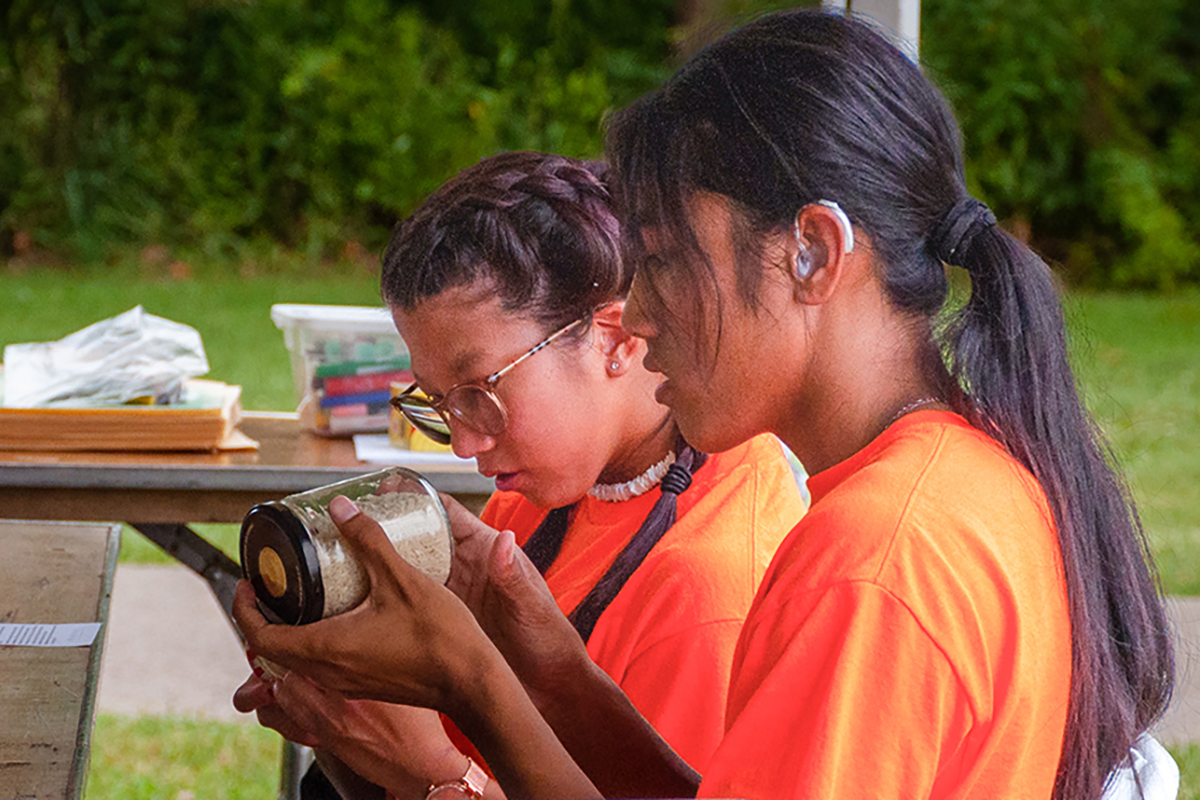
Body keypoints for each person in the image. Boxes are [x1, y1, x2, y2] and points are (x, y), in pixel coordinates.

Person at [234, 9, 1175, 800]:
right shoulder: (965, 472)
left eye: (667, 262)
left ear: (812, 252)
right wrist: (546, 662)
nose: (636, 315)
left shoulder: (873, 561)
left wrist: (472, 681)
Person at [233, 151, 804, 797]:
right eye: (438, 402)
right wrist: (339, 725)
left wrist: (435, 776)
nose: (465, 443)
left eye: (481, 391)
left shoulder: (706, 596)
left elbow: (438, 766)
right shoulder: (543, 495)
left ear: (614, 338)